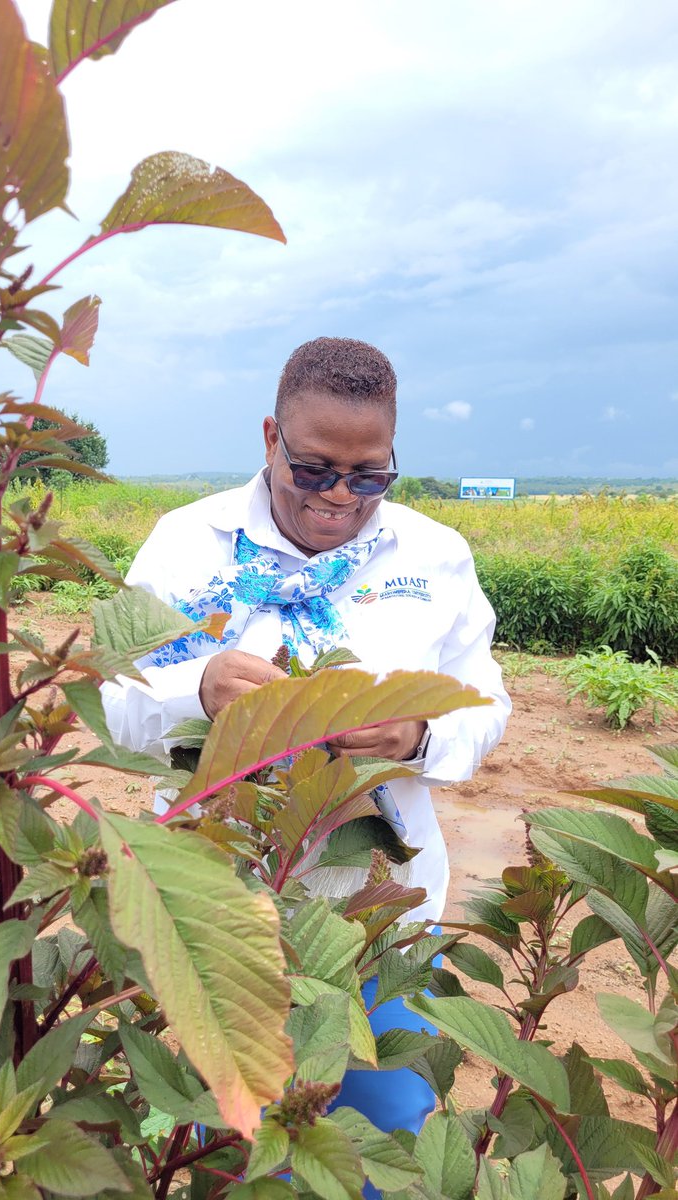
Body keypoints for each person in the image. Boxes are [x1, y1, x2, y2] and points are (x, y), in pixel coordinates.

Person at [101, 338, 511, 1163]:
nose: (339, 497)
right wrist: (198, 691)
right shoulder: (185, 545)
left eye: (369, 476)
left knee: (382, 1137)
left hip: (379, 911)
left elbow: (487, 705)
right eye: (316, 468)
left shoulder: (434, 556)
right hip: (216, 911)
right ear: (269, 439)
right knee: (223, 1141)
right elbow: (112, 708)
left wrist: (418, 732)